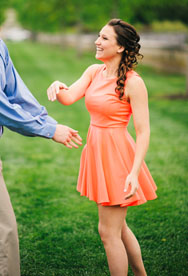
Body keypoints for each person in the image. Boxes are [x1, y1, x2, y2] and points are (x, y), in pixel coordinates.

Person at [0, 0, 83, 276]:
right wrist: (48, 131)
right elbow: (1, 108)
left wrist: (49, 122)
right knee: (1, 235)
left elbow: (17, 94)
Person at [46, 19, 156, 276]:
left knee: (108, 233)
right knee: (118, 228)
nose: (97, 41)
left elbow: (143, 132)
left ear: (120, 47)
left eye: (105, 38)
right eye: (98, 36)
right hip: (97, 153)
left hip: (118, 158)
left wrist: (133, 172)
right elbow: (69, 97)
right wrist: (57, 85)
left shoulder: (133, 82)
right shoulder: (94, 72)